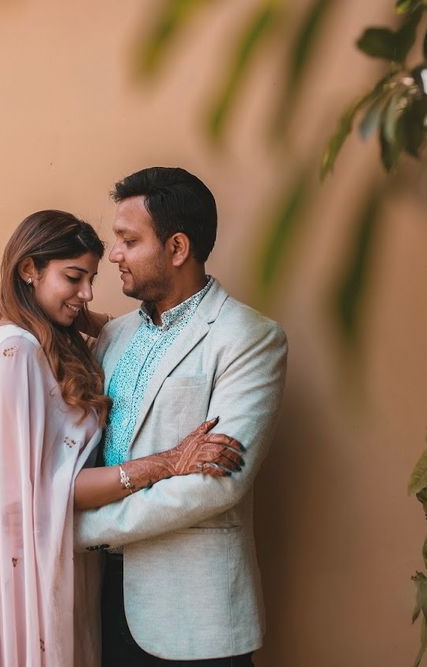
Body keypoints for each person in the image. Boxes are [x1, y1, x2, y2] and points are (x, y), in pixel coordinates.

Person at [0, 210, 243, 666]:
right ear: (29, 269)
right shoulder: (14, 353)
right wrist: (168, 462)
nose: (87, 293)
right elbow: (39, 492)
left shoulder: (40, 340)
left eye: (91, 279)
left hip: (64, 569)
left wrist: (85, 315)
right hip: (30, 582)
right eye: (74, 277)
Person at [75, 167, 288, 666]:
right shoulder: (113, 336)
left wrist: (85, 530)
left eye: (128, 240)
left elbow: (218, 483)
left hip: (194, 612)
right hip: (101, 602)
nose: (114, 255)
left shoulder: (249, 337)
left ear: (176, 248)